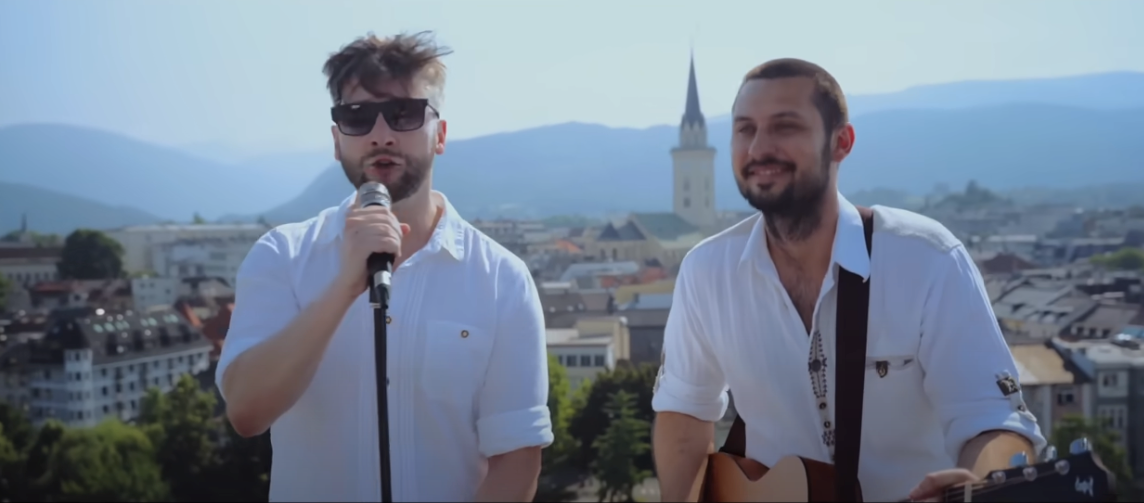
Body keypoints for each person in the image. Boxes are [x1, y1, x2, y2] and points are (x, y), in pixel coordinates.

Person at [650, 58, 1047, 502]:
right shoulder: (707, 271)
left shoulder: (926, 259)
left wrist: (982, 482)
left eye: (785, 127)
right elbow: (683, 413)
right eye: (744, 129)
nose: (759, 147)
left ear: (842, 142)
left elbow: (993, 420)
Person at [216, 31, 553, 502]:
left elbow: (517, 461)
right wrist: (342, 288)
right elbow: (247, 411)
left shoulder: (502, 280)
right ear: (337, 141)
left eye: (403, 113)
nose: (380, 134)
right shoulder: (282, 257)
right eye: (357, 118)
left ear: (440, 135)